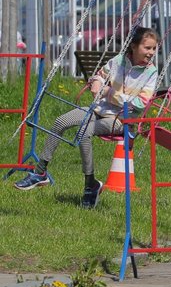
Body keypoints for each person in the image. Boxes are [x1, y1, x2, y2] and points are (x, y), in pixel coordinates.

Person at [14, 27, 160, 209]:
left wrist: (109, 92)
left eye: (154, 48)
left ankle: (90, 184)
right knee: (61, 121)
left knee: (84, 131)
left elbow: (140, 103)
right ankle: (40, 173)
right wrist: (96, 83)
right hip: (99, 109)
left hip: (121, 119)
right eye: (147, 48)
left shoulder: (151, 72)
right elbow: (99, 75)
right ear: (134, 46)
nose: (151, 53)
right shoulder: (119, 60)